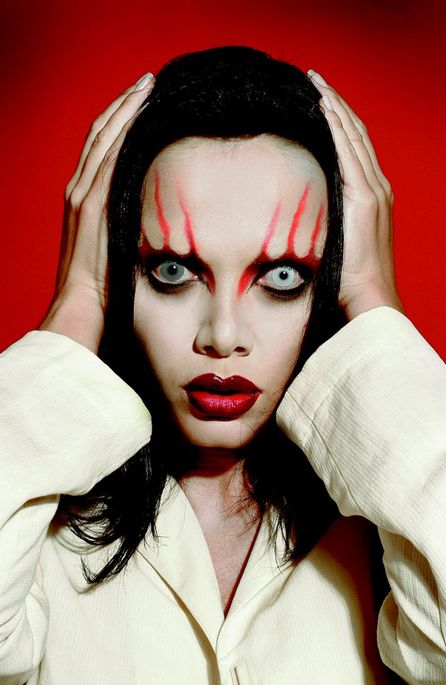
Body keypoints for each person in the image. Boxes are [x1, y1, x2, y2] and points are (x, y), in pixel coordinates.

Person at [0, 46, 445, 685]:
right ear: (119, 268)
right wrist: (78, 301)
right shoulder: (33, 522)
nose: (223, 335)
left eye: (283, 277)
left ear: (330, 283)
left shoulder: (392, 532)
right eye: (172, 271)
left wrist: (374, 303)